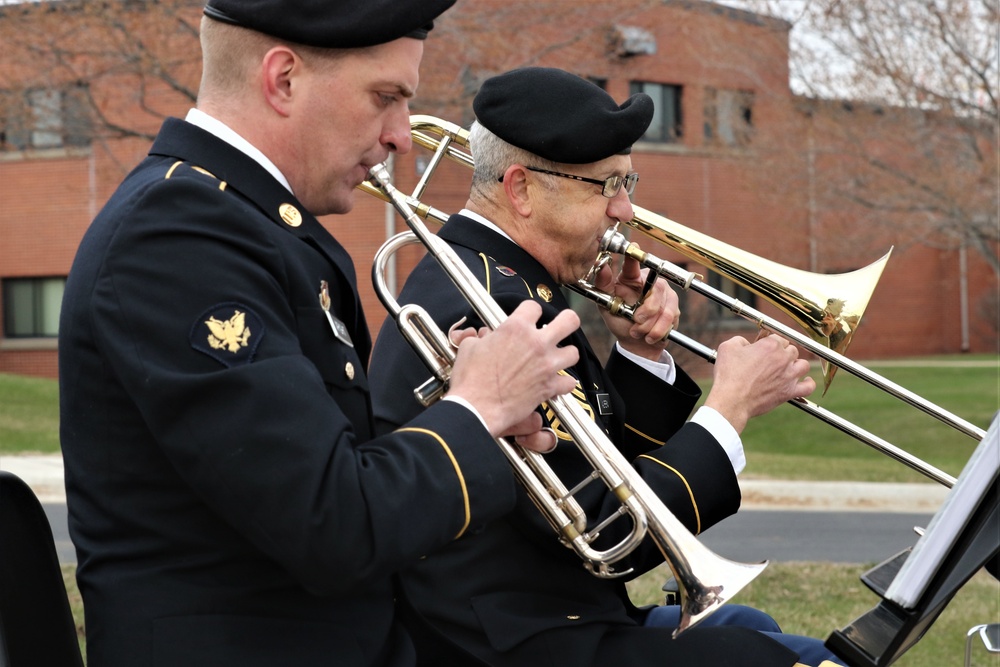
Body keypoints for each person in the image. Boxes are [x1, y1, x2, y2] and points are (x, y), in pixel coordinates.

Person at [57, 6, 587, 667]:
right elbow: (332, 525)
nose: (403, 137)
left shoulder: (246, 223)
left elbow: (322, 476)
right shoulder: (176, 235)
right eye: (385, 97)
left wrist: (480, 414)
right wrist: (477, 408)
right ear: (282, 79)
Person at [369, 67, 845, 667]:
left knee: (750, 624)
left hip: (552, 615)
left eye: (629, 181)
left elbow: (595, 469)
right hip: (518, 642)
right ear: (521, 189)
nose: (626, 209)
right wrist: (729, 411)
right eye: (607, 185)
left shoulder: (512, 282)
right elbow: (610, 535)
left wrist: (640, 356)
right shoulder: (497, 306)